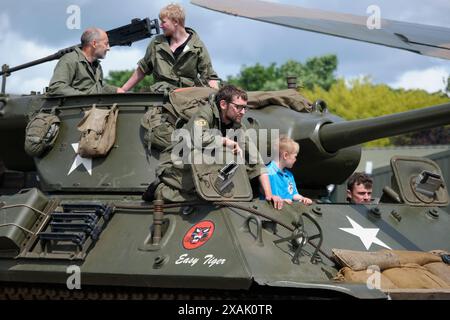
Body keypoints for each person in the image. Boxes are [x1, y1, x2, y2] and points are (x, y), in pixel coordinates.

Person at [143, 84, 285, 210]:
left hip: (206, 166)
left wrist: (269, 194)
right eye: (238, 107)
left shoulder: (237, 125)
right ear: (223, 104)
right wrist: (225, 141)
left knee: (223, 189)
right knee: (203, 197)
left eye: (244, 108)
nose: (242, 112)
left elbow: (256, 161)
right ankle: (160, 189)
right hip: (177, 165)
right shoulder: (205, 114)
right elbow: (199, 138)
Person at [118, 3, 219, 93]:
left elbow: (210, 77)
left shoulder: (197, 46)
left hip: (186, 99)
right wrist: (123, 89)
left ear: (175, 22)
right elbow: (143, 69)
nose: (161, 26)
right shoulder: (157, 43)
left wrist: (215, 96)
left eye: (164, 22)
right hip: (159, 96)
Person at [47, 27, 119, 95]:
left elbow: (98, 87)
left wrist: (116, 90)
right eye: (106, 44)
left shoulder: (97, 66)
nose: (108, 48)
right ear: (94, 44)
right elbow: (56, 87)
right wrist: (84, 98)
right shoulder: (70, 60)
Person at [264, 135, 313, 205]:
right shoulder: (267, 173)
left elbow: (293, 194)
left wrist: (303, 198)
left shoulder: (289, 175)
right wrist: (283, 201)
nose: (295, 160)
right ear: (285, 155)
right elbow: (267, 196)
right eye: (295, 156)